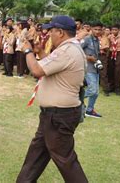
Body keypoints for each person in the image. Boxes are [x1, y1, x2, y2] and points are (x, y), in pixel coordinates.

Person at [17, 15, 88, 183]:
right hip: (53, 115)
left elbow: (37, 70)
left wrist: (27, 50)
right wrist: (39, 51)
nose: (49, 34)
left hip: (59, 116)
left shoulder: (67, 51)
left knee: (65, 160)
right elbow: (49, 64)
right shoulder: (70, 49)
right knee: (36, 154)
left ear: (61, 32)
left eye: (52, 31)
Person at [81, 22, 103, 118]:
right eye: (95, 29)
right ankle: (74, 100)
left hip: (95, 68)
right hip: (88, 68)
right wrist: (88, 57)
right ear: (91, 29)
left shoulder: (97, 40)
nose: (97, 31)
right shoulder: (86, 39)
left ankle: (89, 110)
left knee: (96, 92)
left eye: (99, 29)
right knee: (93, 90)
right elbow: (77, 50)